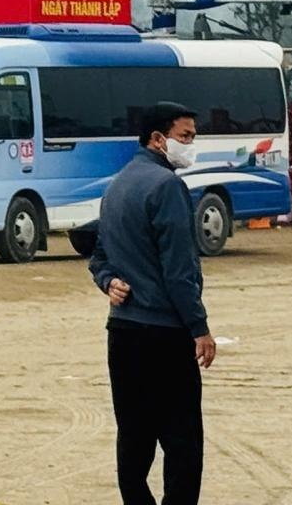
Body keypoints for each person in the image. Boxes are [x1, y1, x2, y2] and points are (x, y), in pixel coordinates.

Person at [89, 102, 214, 505]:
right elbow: (179, 271)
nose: (190, 145)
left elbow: (98, 256)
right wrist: (199, 327)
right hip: (164, 333)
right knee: (182, 442)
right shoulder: (167, 187)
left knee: (134, 434)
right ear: (158, 139)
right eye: (185, 136)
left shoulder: (118, 184)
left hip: (123, 332)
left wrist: (108, 282)